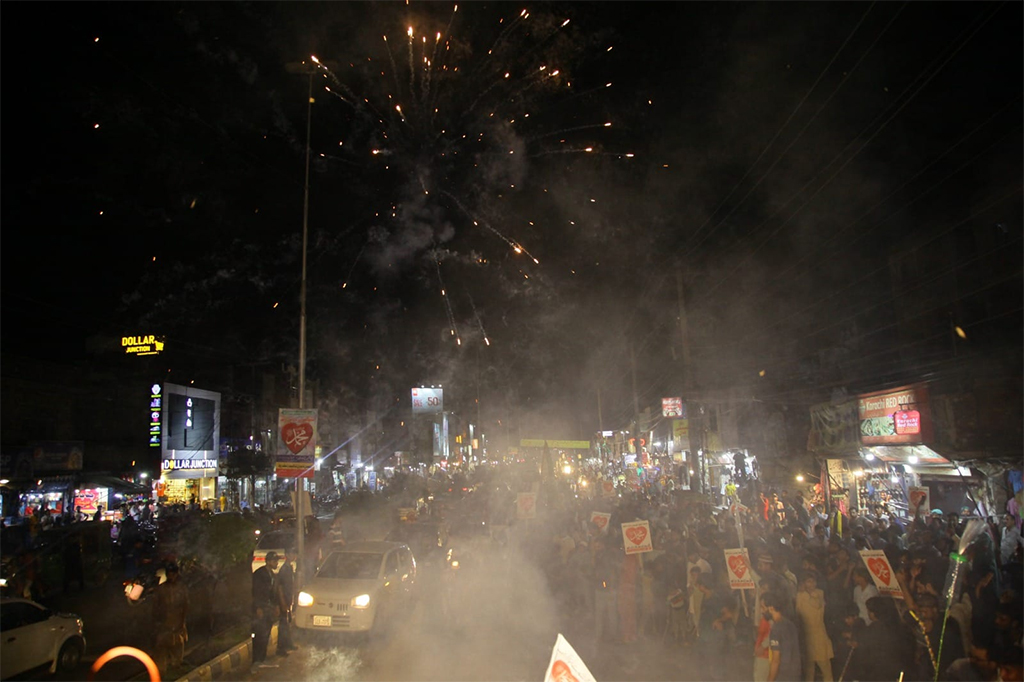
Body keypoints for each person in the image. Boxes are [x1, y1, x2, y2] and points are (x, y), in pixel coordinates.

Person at [795, 571, 833, 681]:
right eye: (809, 582)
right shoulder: (799, 595)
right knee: (808, 670)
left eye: (813, 581)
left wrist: (806, 594)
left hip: (819, 635)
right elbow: (798, 613)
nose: (812, 584)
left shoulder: (820, 593)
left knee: (826, 668)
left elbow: (817, 604)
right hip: (806, 636)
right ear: (804, 583)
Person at [152, 561, 189, 673]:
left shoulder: (181, 589)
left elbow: (185, 606)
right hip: (164, 623)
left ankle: (176, 666)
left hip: (177, 621)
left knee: (178, 645)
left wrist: (182, 623)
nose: (171, 575)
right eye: (169, 573)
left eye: (173, 573)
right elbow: (155, 607)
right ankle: (161, 672)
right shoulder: (161, 589)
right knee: (161, 647)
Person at [252, 551, 284, 663]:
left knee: (266, 634)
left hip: (269, 609)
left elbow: (273, 594)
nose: (277, 564)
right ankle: (257, 659)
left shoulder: (273, 576)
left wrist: (276, 606)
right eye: (275, 561)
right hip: (262, 608)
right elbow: (256, 592)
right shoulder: (259, 574)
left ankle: (262, 658)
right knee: (259, 635)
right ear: (269, 561)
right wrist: (258, 608)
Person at [764, 591, 801, 682]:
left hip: (782, 676)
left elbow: (776, 660)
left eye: (763, 607)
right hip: (795, 674)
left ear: (771, 608)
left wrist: (770, 680)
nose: (761, 611)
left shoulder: (776, 629)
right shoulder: (789, 624)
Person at [276, 548, 299, 654]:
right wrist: (283, 602)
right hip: (284, 600)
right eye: (292, 553)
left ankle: (288, 644)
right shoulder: (284, 569)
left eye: (294, 554)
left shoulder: (289, 567)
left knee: (287, 623)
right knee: (283, 625)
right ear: (287, 555)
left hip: (288, 599)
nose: (294, 556)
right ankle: (281, 648)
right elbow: (280, 587)